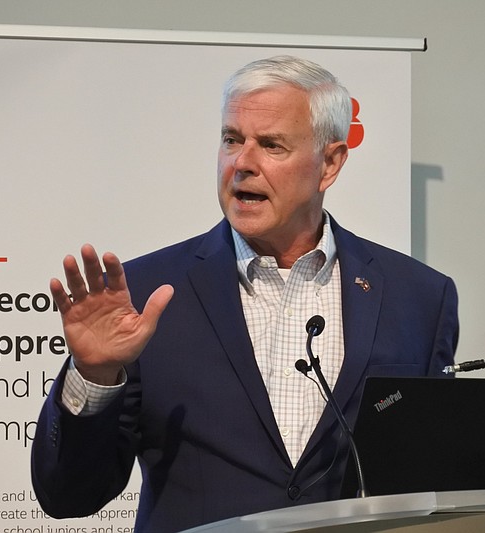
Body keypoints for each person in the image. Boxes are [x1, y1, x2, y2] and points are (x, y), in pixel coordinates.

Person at [31, 55, 459, 533]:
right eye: (232, 139)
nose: (242, 163)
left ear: (331, 162)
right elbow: (67, 495)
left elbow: (430, 486)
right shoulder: (148, 295)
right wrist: (93, 375)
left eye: (271, 145)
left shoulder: (419, 298)